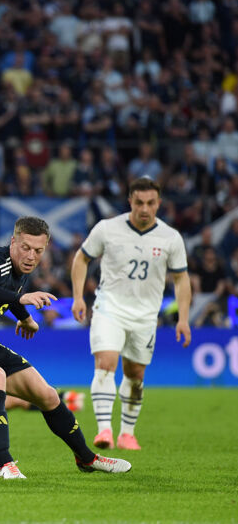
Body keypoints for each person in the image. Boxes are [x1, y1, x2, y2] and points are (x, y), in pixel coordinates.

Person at [0, 216, 131, 479]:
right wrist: (21, 299)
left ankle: (87, 458)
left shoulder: (19, 270)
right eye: (25, 247)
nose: (31, 256)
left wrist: (23, 317)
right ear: (13, 241)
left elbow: (7, 292)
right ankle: (4, 464)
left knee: (47, 395)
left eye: (38, 251)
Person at [71, 177, 192, 451]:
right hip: (109, 308)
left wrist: (183, 318)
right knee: (105, 363)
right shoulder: (107, 229)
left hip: (145, 316)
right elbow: (82, 258)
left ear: (159, 203)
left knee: (135, 374)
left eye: (150, 203)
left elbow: (182, 279)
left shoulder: (171, 237)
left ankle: (127, 433)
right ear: (130, 202)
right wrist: (78, 296)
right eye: (139, 202)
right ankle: (104, 432)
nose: (145, 209)